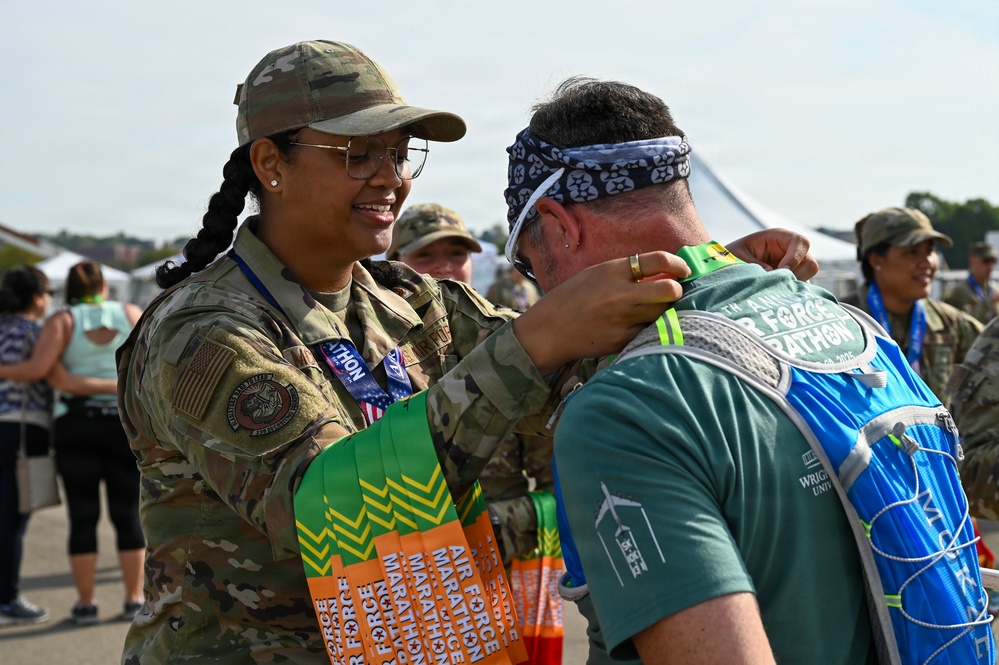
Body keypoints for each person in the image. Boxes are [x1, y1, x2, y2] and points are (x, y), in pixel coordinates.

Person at [114, 40, 813, 663]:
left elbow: (579, 388)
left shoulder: (415, 304)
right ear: (270, 162)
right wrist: (536, 336)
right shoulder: (203, 331)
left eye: (399, 152)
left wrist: (710, 273)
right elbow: (322, 508)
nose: (390, 176)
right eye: (358, 153)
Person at [499, 77, 968, 664]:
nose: (538, 288)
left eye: (528, 261)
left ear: (558, 224)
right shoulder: (854, 328)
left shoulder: (625, 409)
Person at [388, 202, 555, 567]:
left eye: (456, 253)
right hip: (395, 581)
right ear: (394, 262)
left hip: (495, 580)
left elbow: (566, 491)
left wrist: (489, 530)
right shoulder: (366, 359)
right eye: (425, 254)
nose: (444, 266)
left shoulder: (510, 347)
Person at [0, 261, 145, 626]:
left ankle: (85, 604)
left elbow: (49, 373)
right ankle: (134, 599)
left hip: (75, 427)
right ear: (103, 286)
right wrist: (116, 386)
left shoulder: (61, 322)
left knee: (83, 518)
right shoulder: (131, 312)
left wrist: (73, 381)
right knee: (128, 516)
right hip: (123, 426)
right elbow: (150, 366)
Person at [840, 207, 983, 409]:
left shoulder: (950, 323)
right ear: (876, 260)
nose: (926, 262)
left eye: (930, 250)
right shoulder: (840, 322)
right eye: (912, 252)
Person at [0, 266, 53, 626]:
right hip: (22, 429)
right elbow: (45, 374)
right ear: (37, 297)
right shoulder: (35, 332)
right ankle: (6, 599)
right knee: (12, 520)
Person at [946, 241, 999, 324]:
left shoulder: (994, 289)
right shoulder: (959, 292)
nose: (990, 266)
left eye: (993, 261)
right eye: (986, 261)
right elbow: (964, 323)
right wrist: (990, 301)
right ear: (972, 260)